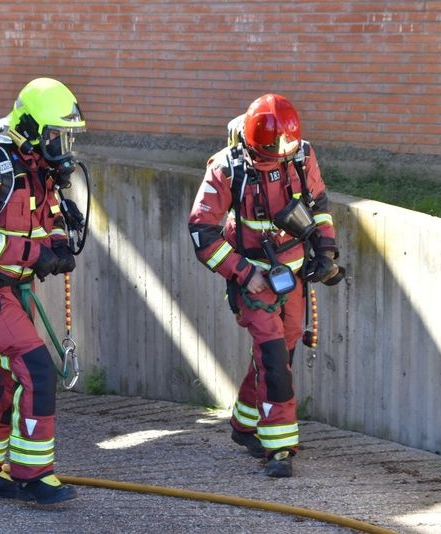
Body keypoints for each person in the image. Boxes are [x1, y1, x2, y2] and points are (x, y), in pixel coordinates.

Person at [188, 94, 344, 478]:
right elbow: (202, 232)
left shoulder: (301, 155)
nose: (277, 162)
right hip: (254, 283)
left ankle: (244, 425)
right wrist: (244, 274)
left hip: (292, 279)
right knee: (273, 358)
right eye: (269, 157)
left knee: (277, 355)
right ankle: (279, 447)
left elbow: (319, 205)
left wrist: (325, 252)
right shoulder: (226, 168)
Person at [0, 77, 85, 504]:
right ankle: (33, 475)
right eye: (55, 135)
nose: (62, 146)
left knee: (3, 381)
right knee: (37, 372)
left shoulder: (39, 172)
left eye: (66, 137)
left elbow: (50, 218)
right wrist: (34, 254)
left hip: (13, 291)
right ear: (28, 129)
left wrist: (59, 245)